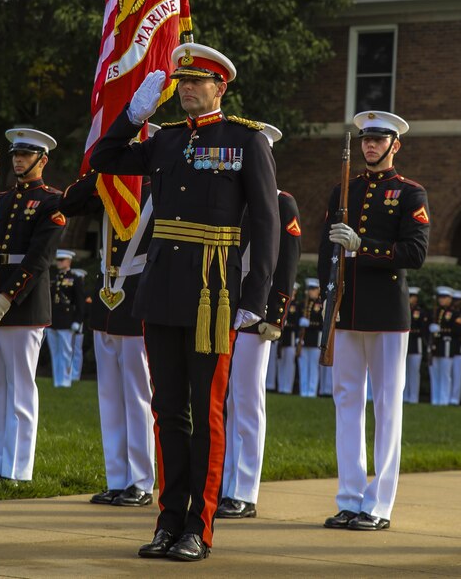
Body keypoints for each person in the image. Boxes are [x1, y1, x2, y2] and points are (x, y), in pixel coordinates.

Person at [90, 43, 280, 561]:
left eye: (198, 81)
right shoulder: (166, 140)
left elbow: (265, 227)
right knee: (168, 411)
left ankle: (200, 526)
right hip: (163, 290)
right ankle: (167, 520)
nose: (187, 89)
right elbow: (103, 160)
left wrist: (256, 297)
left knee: (208, 412)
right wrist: (133, 116)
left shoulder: (245, 141)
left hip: (214, 294)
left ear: (221, 87)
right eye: (183, 81)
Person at [319, 110, 430, 532]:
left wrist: (363, 245)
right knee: (346, 403)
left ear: (394, 145)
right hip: (347, 311)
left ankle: (379, 504)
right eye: (366, 138)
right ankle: (349, 498)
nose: (370, 145)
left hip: (386, 312)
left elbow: (415, 253)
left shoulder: (409, 194)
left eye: (379, 139)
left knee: (387, 407)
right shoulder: (342, 191)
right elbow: (327, 253)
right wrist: (327, 303)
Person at [59, 129, 161, 509]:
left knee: (137, 395)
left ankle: (140, 480)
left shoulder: (159, 184)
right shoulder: (108, 185)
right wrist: (100, 170)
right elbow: (69, 203)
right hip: (106, 297)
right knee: (109, 394)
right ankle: (116, 476)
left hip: (137, 298)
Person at [0, 128, 66, 485]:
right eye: (15, 155)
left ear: (42, 160)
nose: (18, 160)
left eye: (26, 155)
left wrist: (7, 295)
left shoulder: (53, 202)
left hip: (23, 306)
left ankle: (18, 470)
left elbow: (39, 259)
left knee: (21, 388)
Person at [218, 123, 301, 520]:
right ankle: (221, 482)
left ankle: (244, 489)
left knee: (247, 401)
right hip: (217, 310)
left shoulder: (283, 202)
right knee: (220, 401)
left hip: (256, 316)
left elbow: (287, 265)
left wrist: (276, 316)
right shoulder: (229, 196)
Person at [46, 250, 86, 388]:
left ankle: (66, 380)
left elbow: (80, 302)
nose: (59, 262)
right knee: (55, 352)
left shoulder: (75, 279)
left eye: (62, 260)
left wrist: (77, 320)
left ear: (69, 261)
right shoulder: (54, 278)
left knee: (65, 352)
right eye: (58, 260)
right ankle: (58, 381)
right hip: (53, 320)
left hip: (67, 320)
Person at [428, 286, 455, 405]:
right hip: (436, 346)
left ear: (450, 299)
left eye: (444, 298)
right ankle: (435, 398)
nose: (441, 300)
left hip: (447, 346)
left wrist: (441, 330)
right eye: (440, 297)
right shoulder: (436, 311)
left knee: (445, 374)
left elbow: (457, 329)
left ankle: (444, 399)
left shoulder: (454, 313)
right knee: (435, 373)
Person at [296, 278, 322, 398]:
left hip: (315, 340)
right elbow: (297, 321)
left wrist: (310, 323)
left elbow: (321, 323)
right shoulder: (302, 304)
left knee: (313, 368)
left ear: (318, 290)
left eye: (313, 289)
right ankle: (303, 390)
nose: (310, 292)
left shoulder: (320, 305)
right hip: (303, 340)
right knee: (303, 367)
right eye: (309, 289)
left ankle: (311, 391)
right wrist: (298, 337)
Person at [403, 286, 429, 404]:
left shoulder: (420, 312)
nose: (410, 299)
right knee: (404, 372)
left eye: (412, 297)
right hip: (406, 344)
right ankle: (405, 395)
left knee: (414, 371)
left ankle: (413, 397)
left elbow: (422, 330)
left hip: (415, 344)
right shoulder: (403, 309)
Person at [276, 281, 299, 394]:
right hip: (282, 338)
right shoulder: (284, 303)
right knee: (281, 362)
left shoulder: (296, 305)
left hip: (291, 338)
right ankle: (281, 387)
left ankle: (288, 388)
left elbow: (297, 323)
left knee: (289, 364)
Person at [449, 290, 461, 406]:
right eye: (454, 300)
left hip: (459, 347)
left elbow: (460, 331)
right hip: (449, 347)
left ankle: (455, 398)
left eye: (458, 300)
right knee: (450, 374)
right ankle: (449, 397)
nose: (456, 303)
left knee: (457, 375)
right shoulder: (449, 313)